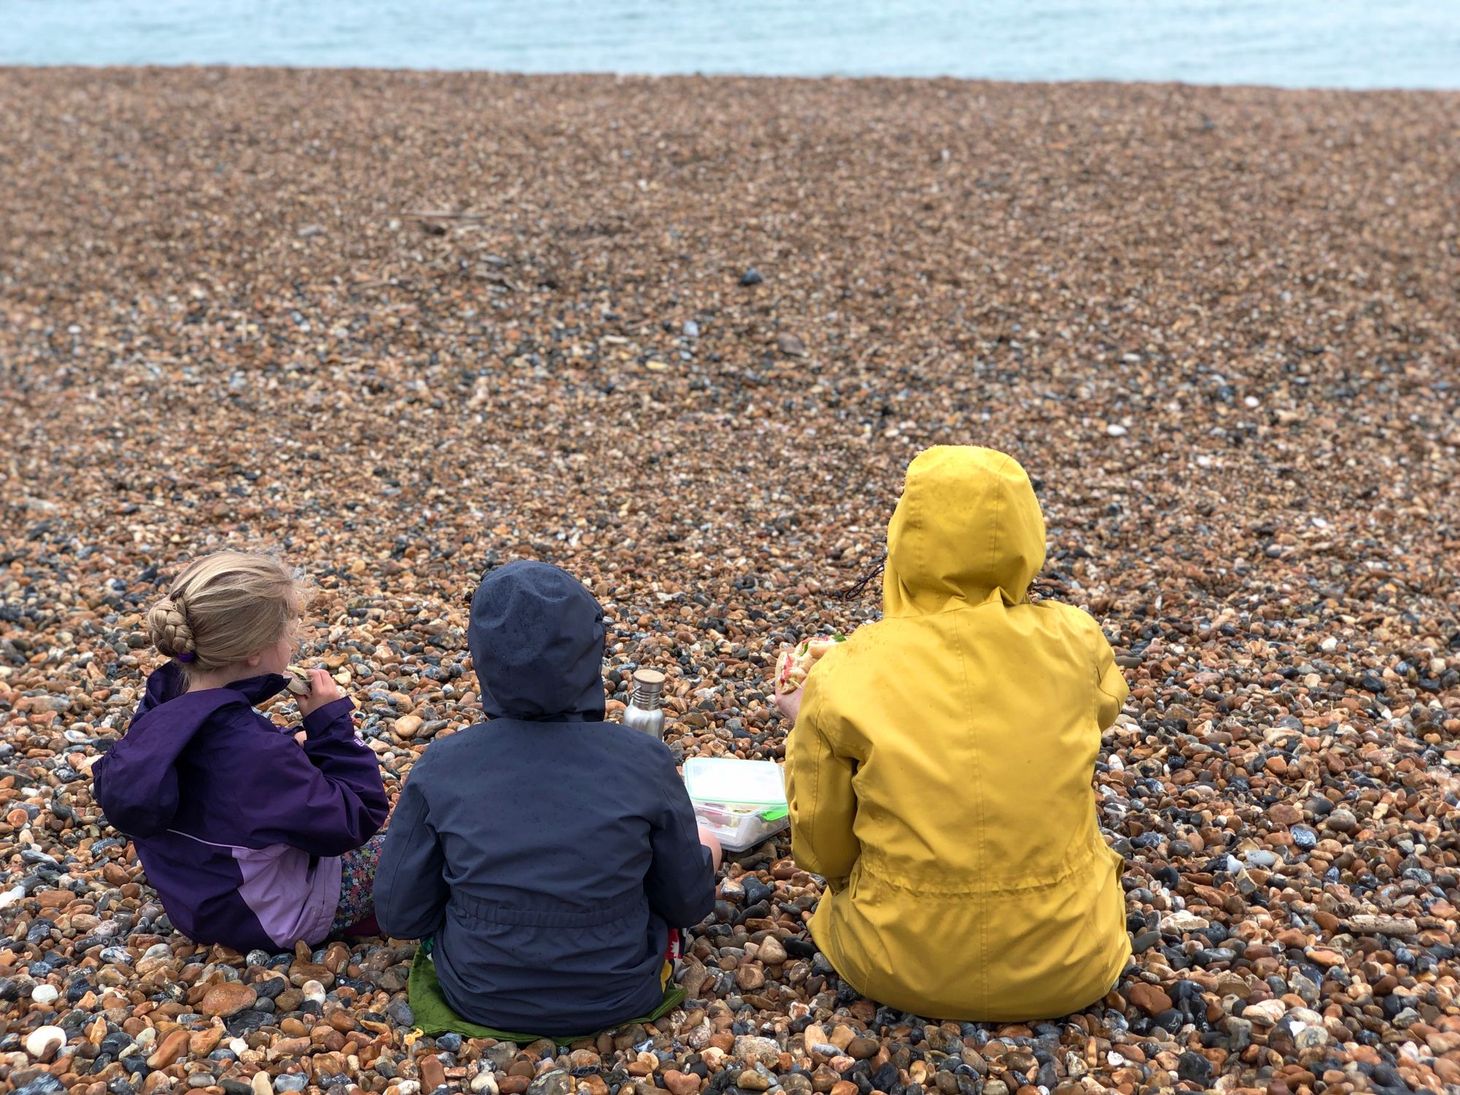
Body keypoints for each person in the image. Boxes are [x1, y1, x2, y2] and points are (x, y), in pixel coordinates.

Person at [778, 446, 1131, 1021]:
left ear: (905, 538)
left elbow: (822, 850)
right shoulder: (1077, 639)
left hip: (895, 965)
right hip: (1075, 963)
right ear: (1026, 537)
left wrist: (807, 721)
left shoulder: (847, 670)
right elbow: (1101, 708)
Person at [375, 560, 720, 1036]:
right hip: (618, 993)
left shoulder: (444, 763)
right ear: (590, 652)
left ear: (482, 659)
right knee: (707, 842)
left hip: (478, 993)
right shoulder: (644, 760)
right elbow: (687, 904)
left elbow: (399, 913)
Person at [92, 551, 389, 952]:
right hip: (262, 918)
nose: (292, 642)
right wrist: (330, 728)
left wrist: (287, 748)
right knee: (414, 843)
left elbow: (224, 783)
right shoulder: (254, 751)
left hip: (198, 900)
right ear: (255, 652)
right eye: (288, 633)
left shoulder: (163, 706)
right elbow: (356, 817)